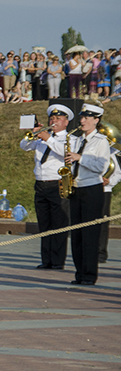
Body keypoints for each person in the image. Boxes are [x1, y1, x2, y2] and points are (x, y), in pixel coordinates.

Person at [20, 105, 73, 270]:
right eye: (52, 119)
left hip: (57, 184)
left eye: (58, 119)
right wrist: (34, 134)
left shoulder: (69, 138)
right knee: (44, 224)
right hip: (41, 184)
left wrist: (48, 138)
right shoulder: (43, 138)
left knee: (58, 223)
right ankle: (46, 259)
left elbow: (64, 152)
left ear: (66, 122)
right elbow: (24, 145)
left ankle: (57, 261)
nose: (54, 122)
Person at [64, 102, 111, 285]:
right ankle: (79, 273)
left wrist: (80, 158)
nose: (82, 121)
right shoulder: (76, 139)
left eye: (86, 118)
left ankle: (89, 275)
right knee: (76, 235)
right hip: (76, 188)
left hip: (92, 189)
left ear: (96, 120)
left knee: (90, 234)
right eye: (82, 117)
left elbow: (101, 167)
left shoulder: (101, 141)